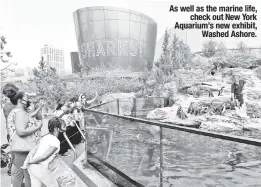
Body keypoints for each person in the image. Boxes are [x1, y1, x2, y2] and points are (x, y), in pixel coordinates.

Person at [7, 91, 42, 187]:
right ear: (20, 100)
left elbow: (28, 119)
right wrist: (38, 127)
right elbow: (21, 131)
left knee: (18, 173)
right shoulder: (20, 112)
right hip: (24, 148)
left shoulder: (17, 112)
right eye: (26, 98)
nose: (28, 100)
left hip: (19, 148)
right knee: (27, 175)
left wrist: (37, 108)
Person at [21, 117, 66, 187]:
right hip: (39, 166)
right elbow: (44, 157)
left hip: (31, 167)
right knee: (54, 185)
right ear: (57, 128)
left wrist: (27, 161)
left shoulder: (45, 137)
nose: (65, 128)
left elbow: (34, 149)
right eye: (63, 126)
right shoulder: (55, 142)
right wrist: (31, 161)